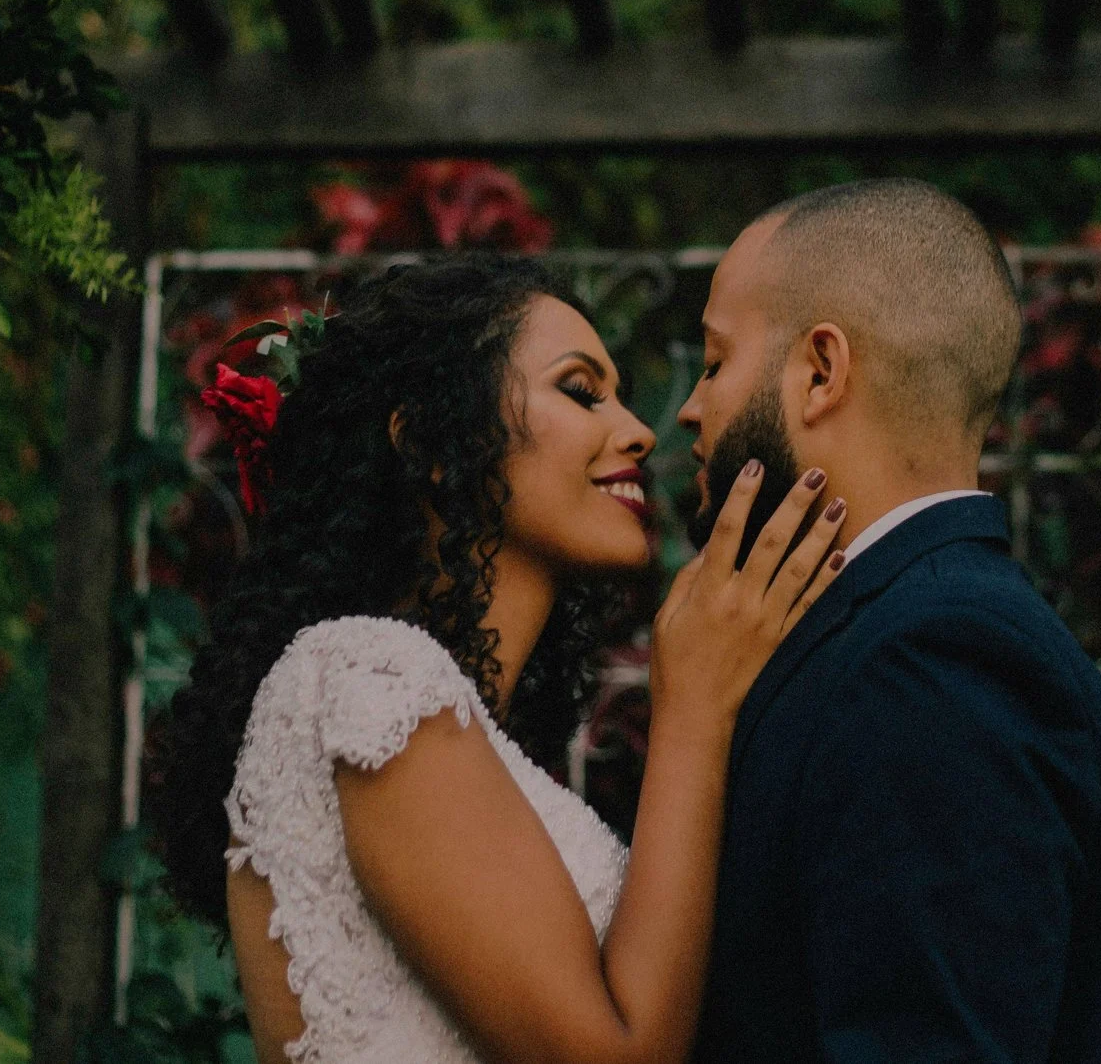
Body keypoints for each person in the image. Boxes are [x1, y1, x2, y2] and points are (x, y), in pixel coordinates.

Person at [155, 255, 847, 1064]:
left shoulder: (448, 721)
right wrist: (692, 709)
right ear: (436, 442)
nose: (640, 429)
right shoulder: (369, 678)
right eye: (582, 391)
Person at [678, 178, 1101, 1064]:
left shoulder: (935, 658)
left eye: (713, 360)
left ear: (821, 371)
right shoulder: (902, 635)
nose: (690, 407)